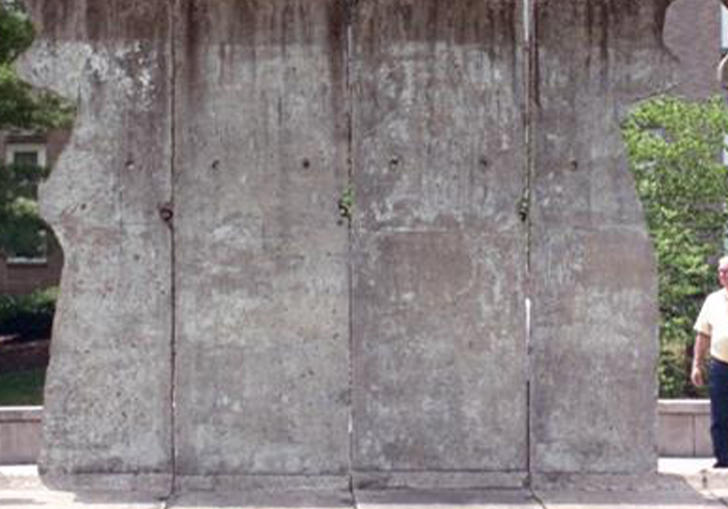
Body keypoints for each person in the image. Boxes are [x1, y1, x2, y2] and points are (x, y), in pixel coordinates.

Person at [692, 255, 728, 468]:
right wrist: (697, 364)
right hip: (720, 365)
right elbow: (703, 334)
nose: (723, 275)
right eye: (721, 272)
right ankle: (724, 460)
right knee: (720, 416)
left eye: (727, 271)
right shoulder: (712, 300)